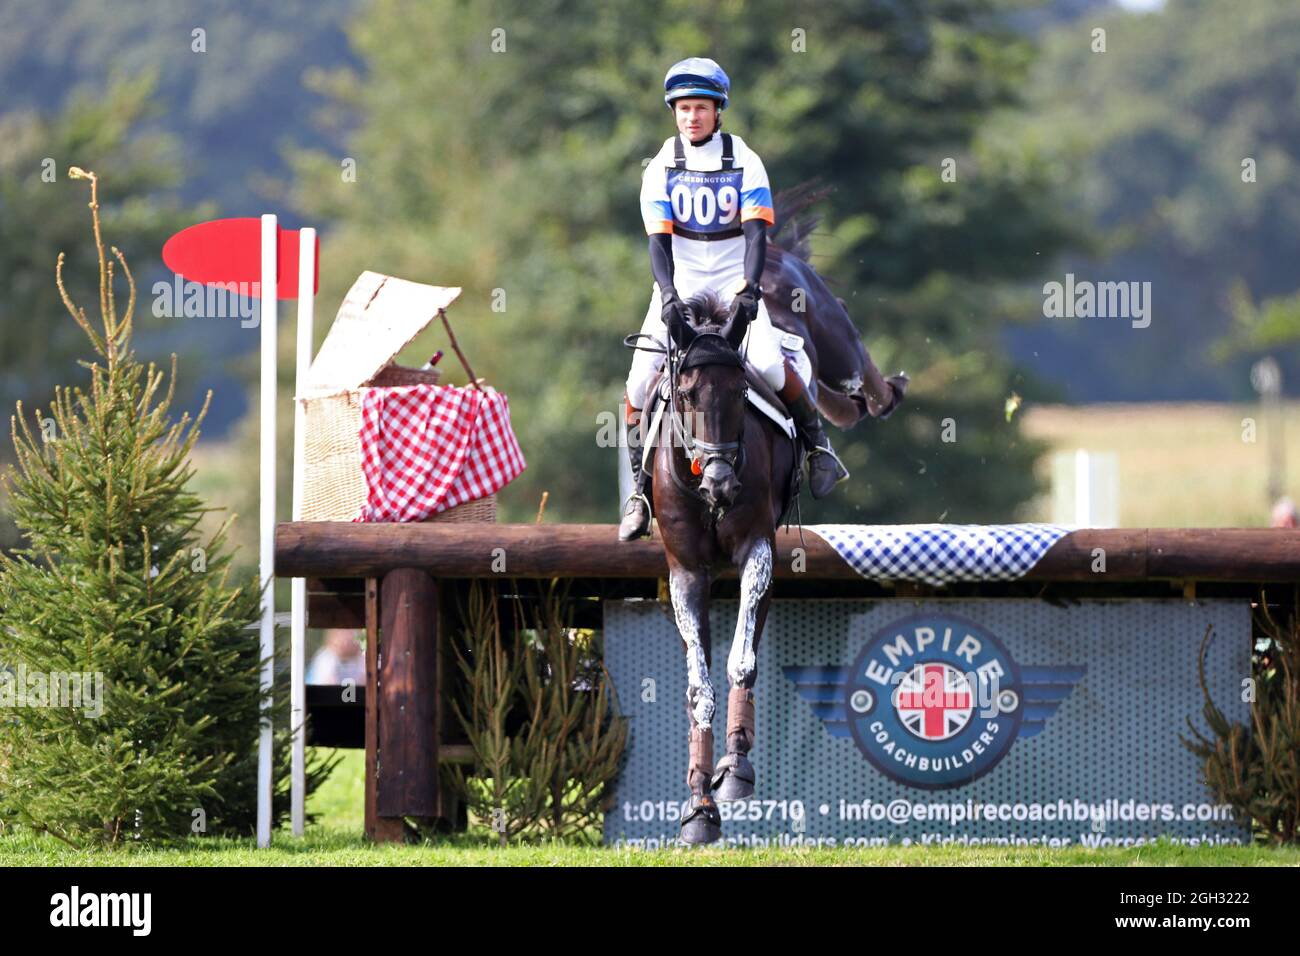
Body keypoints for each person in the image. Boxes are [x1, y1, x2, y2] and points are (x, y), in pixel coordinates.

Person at [619, 57, 848, 542]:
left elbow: (755, 236)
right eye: (683, 109)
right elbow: (658, 244)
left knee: (765, 364)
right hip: (679, 282)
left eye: (700, 108)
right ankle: (639, 493)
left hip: (731, 278)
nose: (691, 118)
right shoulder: (660, 167)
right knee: (639, 384)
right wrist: (666, 296)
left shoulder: (744, 160)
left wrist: (748, 290)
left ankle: (817, 445)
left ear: (718, 111)